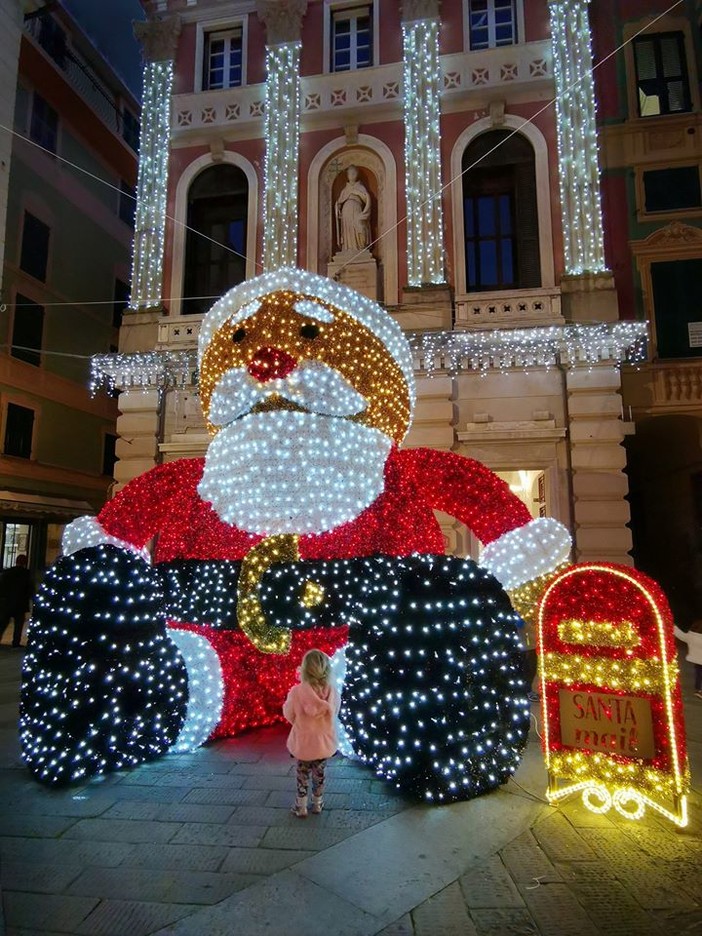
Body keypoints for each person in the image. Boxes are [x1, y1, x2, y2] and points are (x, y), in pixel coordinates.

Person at [283, 649, 340, 817]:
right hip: (323, 742)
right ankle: (318, 803)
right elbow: (335, 712)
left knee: (302, 773)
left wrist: (299, 723)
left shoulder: (297, 692)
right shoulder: (332, 693)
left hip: (303, 741)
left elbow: (289, 713)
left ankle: (301, 806)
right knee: (319, 773)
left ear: (305, 669)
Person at [0, 554, 34, 648]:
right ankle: (16, 643)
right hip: (20, 603)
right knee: (18, 625)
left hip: (6, 602)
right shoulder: (26, 574)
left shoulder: (7, 572)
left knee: (2, 623)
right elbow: (30, 589)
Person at [335, 165, 371, 252]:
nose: (352, 175)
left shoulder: (360, 187)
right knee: (348, 229)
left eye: (354, 173)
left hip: (357, 208)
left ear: (357, 175)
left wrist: (357, 193)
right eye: (350, 173)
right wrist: (338, 207)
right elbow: (339, 202)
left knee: (359, 226)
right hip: (346, 211)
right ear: (347, 175)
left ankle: (360, 247)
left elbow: (367, 199)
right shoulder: (344, 190)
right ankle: (348, 248)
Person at [674, 623, 702, 699]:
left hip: (696, 660)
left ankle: (698, 689)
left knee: (698, 674)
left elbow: (680, 635)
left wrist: (673, 626)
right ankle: (699, 690)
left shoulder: (691, 636)